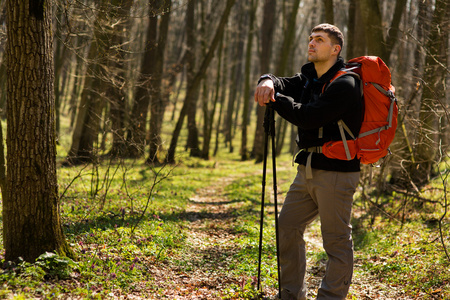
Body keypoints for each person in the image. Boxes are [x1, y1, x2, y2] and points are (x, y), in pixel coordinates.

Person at [254, 24, 363, 299]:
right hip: (307, 170)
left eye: (319, 40)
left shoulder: (346, 84)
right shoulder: (308, 78)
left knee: (336, 242)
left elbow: (309, 116)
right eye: (310, 39)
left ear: (335, 49)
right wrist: (266, 80)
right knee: (287, 227)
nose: (311, 44)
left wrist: (275, 99)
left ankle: (330, 297)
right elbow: (280, 82)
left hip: (337, 173)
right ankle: (291, 294)